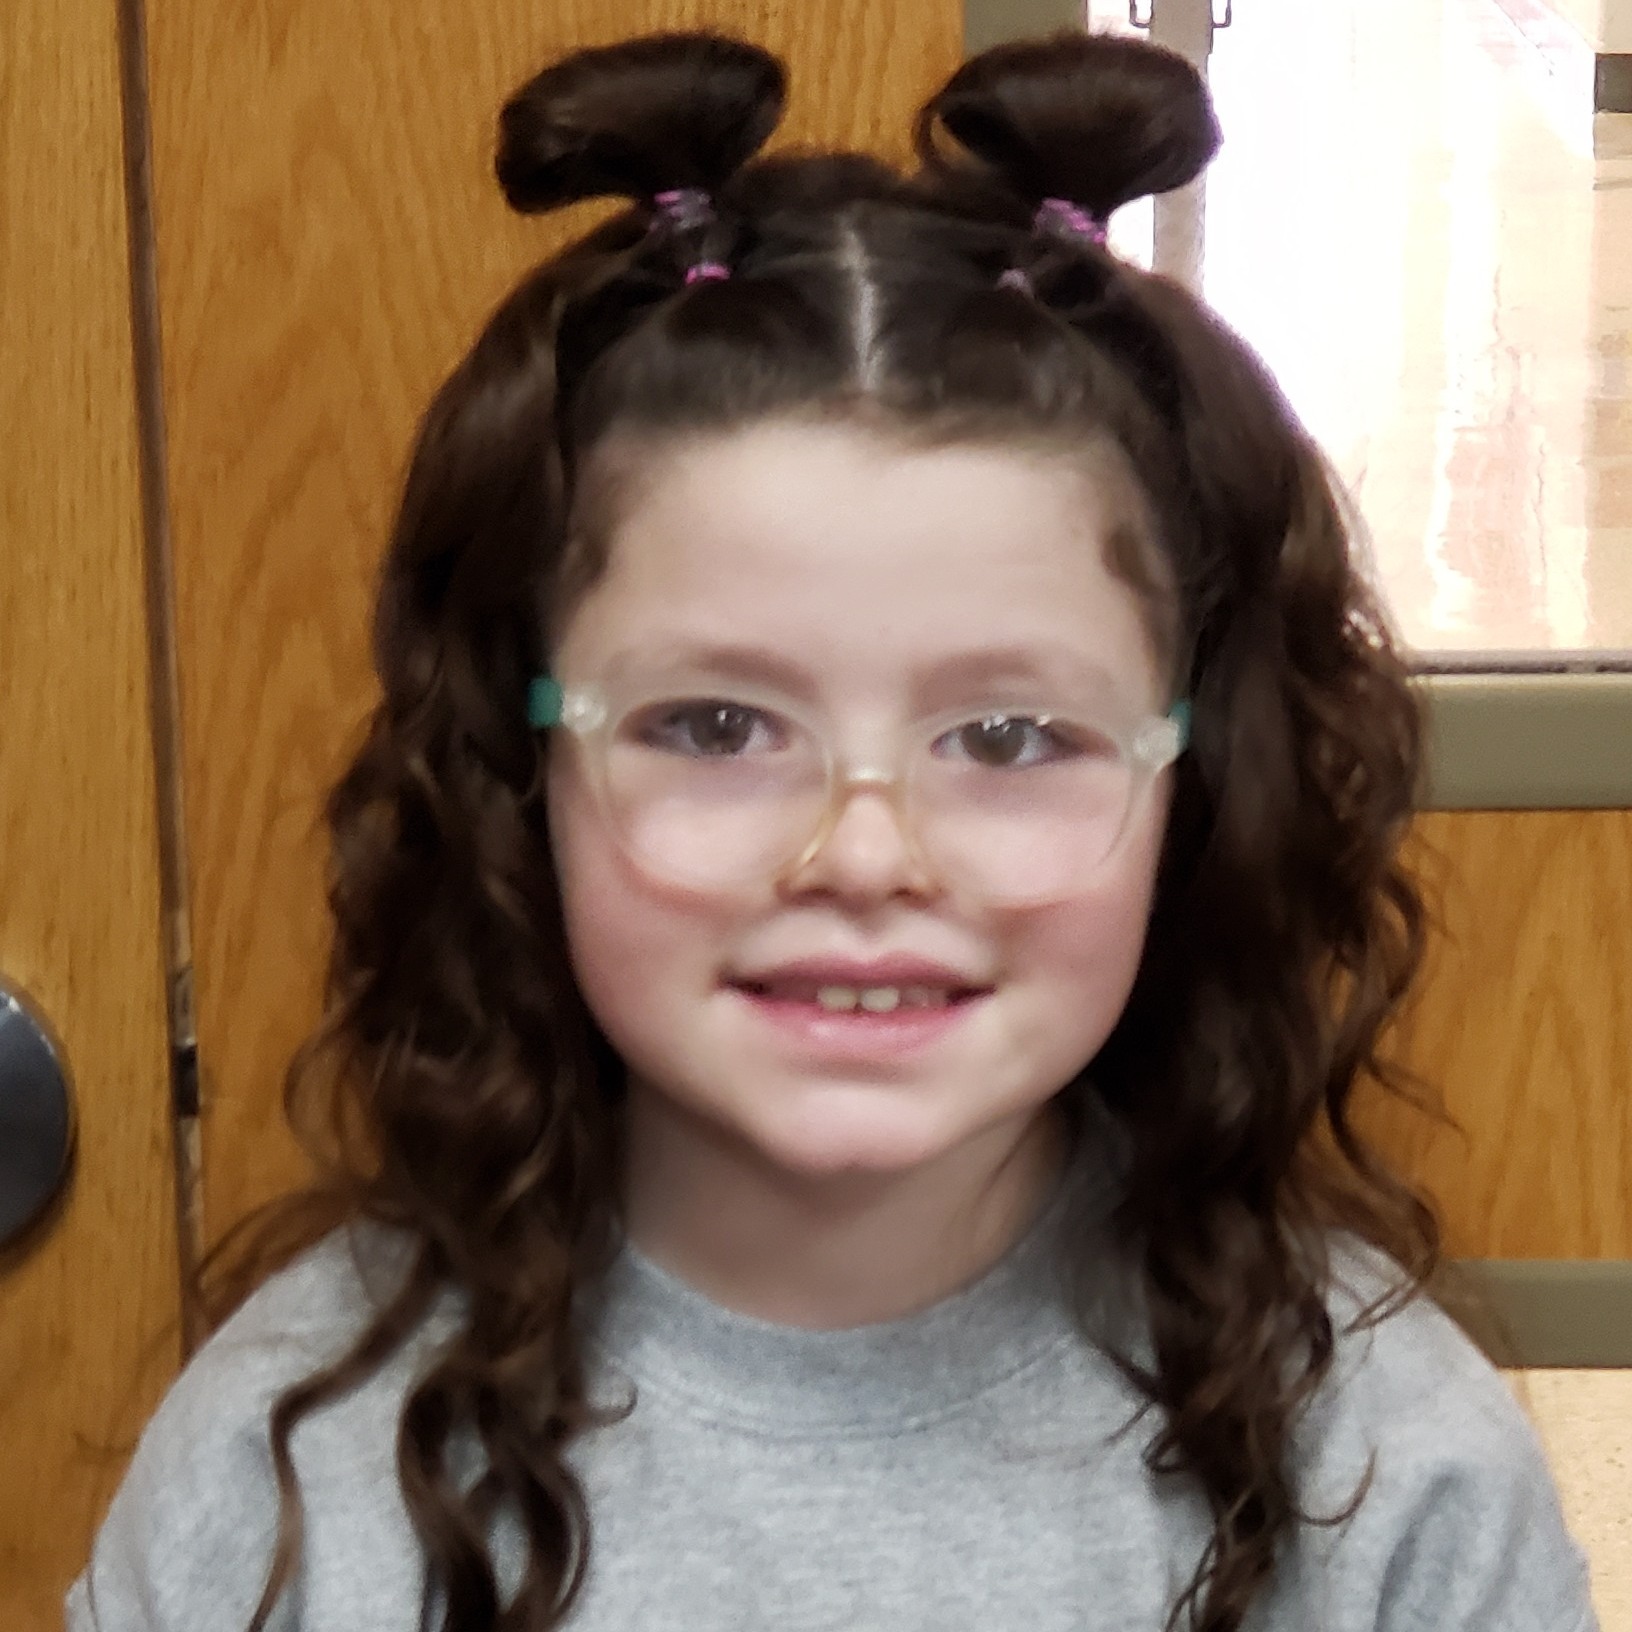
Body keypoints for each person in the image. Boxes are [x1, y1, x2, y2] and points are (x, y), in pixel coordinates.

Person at [67, 28, 1599, 1632]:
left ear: (1191, 786)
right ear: (520, 770)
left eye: (1010, 737)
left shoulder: (1392, 1478)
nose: (866, 857)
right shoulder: (283, 1473)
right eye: (715, 727)